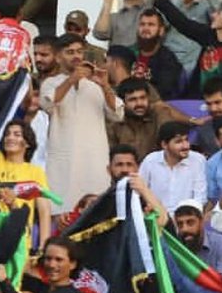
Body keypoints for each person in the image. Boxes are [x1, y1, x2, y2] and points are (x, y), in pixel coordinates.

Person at [40, 34, 122, 215]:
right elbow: (48, 104)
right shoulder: (50, 83)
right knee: (61, 213)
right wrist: (71, 80)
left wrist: (105, 86)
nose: (76, 56)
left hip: (95, 160)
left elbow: (117, 114)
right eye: (70, 52)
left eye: (79, 51)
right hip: (63, 162)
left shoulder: (95, 85)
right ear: (58, 57)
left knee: (97, 215)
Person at [137, 120, 207, 213]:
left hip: (187, 218)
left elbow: (200, 198)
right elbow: (140, 191)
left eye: (186, 140)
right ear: (164, 145)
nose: (185, 146)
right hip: (157, 217)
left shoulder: (198, 160)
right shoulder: (150, 161)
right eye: (179, 142)